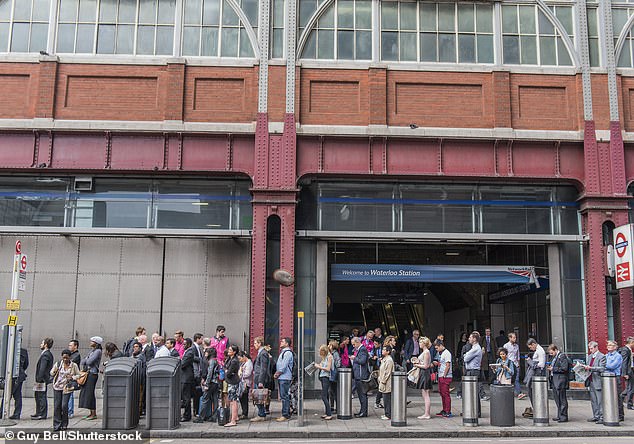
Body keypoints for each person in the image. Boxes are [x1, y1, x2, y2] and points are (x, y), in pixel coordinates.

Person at [50, 349, 80, 432]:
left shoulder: (74, 365)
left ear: (70, 357)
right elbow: (51, 372)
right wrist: (54, 371)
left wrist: (72, 377)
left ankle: (64, 424)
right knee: (57, 406)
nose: (65, 359)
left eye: (67, 358)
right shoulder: (58, 364)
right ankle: (56, 424)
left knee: (64, 405)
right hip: (57, 387)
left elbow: (79, 374)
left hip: (67, 388)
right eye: (64, 358)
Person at [195, 347, 220, 423]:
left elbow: (210, 373)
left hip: (211, 383)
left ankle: (201, 417)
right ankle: (214, 416)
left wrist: (207, 384)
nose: (205, 354)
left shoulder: (211, 361)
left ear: (210, 353)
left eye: (206, 352)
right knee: (215, 400)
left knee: (205, 399)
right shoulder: (215, 360)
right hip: (216, 382)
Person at [79, 336, 102, 420]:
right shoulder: (92, 351)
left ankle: (93, 413)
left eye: (92, 341)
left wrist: (86, 359)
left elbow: (88, 361)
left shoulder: (97, 351)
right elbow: (83, 361)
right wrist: (86, 360)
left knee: (90, 393)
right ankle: (91, 412)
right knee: (88, 393)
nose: (90, 342)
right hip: (89, 373)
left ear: (96, 343)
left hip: (92, 374)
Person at [583, 341, 606, 423]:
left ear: (596, 347)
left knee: (599, 400)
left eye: (591, 348)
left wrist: (591, 368)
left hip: (597, 380)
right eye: (589, 348)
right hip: (591, 380)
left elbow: (602, 368)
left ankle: (602, 417)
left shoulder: (602, 356)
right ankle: (596, 416)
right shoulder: (589, 356)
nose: (590, 350)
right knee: (593, 400)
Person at [523, 338, 546, 418]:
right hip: (533, 372)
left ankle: (536, 409)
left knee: (533, 391)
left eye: (530, 347)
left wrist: (530, 361)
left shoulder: (540, 351)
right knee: (530, 390)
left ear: (533, 344)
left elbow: (541, 364)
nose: (530, 349)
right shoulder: (537, 350)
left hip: (536, 373)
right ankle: (535, 409)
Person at [250, 336, 271, 422]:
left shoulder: (263, 353)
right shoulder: (262, 353)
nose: (254, 345)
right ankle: (261, 413)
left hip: (259, 379)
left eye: (255, 343)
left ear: (259, 343)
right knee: (258, 396)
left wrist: (261, 381)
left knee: (259, 396)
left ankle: (261, 414)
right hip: (258, 377)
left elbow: (263, 368)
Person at [32, 337, 54, 420]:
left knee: (41, 396)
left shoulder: (46, 355)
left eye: (42, 343)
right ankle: (38, 412)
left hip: (41, 379)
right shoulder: (46, 354)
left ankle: (42, 414)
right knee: (37, 396)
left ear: (45, 345)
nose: (40, 345)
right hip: (41, 379)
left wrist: (39, 379)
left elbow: (42, 368)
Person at [547, 343, 569, 422]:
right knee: (557, 398)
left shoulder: (562, 356)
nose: (551, 354)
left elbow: (564, 368)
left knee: (562, 398)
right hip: (554, 380)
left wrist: (553, 368)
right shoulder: (555, 357)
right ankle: (559, 415)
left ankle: (563, 416)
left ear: (555, 350)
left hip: (560, 380)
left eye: (552, 353)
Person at [463, 331, 482, 418]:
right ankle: (473, 410)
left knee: (473, 392)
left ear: (474, 339)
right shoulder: (474, 347)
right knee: (471, 392)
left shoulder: (476, 348)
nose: (469, 339)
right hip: (472, 370)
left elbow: (466, 358)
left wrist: (466, 355)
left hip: (473, 371)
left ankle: (476, 411)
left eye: (470, 337)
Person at [274, 337, 294, 422]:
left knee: (284, 396)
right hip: (283, 377)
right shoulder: (284, 352)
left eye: (282, 341)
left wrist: (277, 373)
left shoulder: (287, 353)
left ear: (287, 343)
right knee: (284, 396)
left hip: (284, 377)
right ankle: (286, 413)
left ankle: (285, 414)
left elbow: (283, 365)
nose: (281, 343)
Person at [6, 347, 28, 419]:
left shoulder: (9, 348)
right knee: (17, 395)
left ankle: (2, 412)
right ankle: (17, 413)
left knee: (7, 394)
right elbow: (26, 364)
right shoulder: (24, 351)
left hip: (12, 375)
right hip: (20, 375)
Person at [413, 336, 432, 419]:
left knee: (426, 393)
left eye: (420, 342)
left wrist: (417, 364)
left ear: (424, 343)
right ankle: (426, 413)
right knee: (424, 393)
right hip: (423, 373)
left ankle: (427, 414)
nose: (419, 344)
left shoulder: (426, 352)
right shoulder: (425, 352)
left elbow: (426, 366)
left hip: (425, 373)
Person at [350, 336, 370, 418]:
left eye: (354, 344)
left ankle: (363, 412)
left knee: (362, 394)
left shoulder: (362, 349)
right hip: (358, 375)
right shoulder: (360, 349)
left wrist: (354, 358)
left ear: (358, 342)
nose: (353, 346)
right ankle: (362, 411)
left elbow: (362, 361)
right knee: (361, 395)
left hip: (361, 376)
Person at [606, 340, 624, 421]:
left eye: (610, 345)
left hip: (615, 377)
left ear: (615, 347)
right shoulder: (607, 355)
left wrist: (604, 365)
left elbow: (612, 366)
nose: (608, 346)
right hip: (607, 378)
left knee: (617, 396)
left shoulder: (618, 356)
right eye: (608, 345)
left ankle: (620, 415)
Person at [314, 344, 334, 420]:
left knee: (324, 396)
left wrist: (318, 366)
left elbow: (328, 368)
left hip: (326, 377)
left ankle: (329, 414)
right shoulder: (325, 357)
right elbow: (322, 365)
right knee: (326, 396)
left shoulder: (329, 357)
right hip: (323, 377)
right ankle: (327, 413)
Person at [434, 339, 452, 417]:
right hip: (441, 375)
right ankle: (444, 409)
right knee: (442, 393)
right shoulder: (440, 353)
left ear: (441, 345)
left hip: (445, 376)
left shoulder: (447, 353)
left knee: (445, 393)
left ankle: (448, 410)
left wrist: (444, 374)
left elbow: (448, 365)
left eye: (437, 348)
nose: (436, 349)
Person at [224, 345, 241, 427]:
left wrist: (227, 371)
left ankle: (233, 420)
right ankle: (235, 417)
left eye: (231, 350)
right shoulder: (229, 359)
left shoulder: (234, 361)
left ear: (234, 352)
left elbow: (229, 372)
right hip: (230, 381)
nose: (228, 351)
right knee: (232, 400)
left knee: (233, 401)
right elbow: (225, 368)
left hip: (233, 382)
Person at [180, 338, 196, 422]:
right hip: (184, 377)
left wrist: (179, 361)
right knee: (185, 397)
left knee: (186, 398)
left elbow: (183, 364)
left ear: (189, 344)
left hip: (186, 378)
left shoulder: (189, 352)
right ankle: (186, 414)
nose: (183, 346)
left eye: (185, 344)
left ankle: (187, 415)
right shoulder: (187, 352)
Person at [378, 345, 394, 420]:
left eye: (384, 350)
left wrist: (383, 381)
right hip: (383, 381)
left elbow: (387, 372)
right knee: (385, 398)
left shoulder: (389, 360)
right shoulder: (385, 359)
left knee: (387, 399)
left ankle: (388, 414)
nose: (382, 351)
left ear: (388, 351)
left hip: (387, 383)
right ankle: (386, 413)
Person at [504, 332, 522, 398]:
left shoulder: (517, 346)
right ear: (510, 338)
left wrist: (518, 364)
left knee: (516, 379)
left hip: (516, 364)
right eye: (513, 338)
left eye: (515, 337)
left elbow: (518, 355)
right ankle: (509, 393)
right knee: (509, 379)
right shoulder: (506, 346)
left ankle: (519, 393)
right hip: (509, 364)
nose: (515, 339)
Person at [237, 350, 253, 419]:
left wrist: (241, 372)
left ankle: (245, 413)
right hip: (242, 382)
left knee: (244, 398)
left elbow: (248, 374)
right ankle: (244, 412)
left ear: (244, 356)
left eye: (240, 358)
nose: (240, 360)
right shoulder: (244, 363)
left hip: (246, 383)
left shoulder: (249, 363)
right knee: (242, 397)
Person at [620, 337, 634, 413]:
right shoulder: (625, 350)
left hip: (630, 369)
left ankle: (621, 398)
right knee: (630, 387)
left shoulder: (628, 350)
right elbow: (624, 362)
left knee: (630, 387)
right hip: (629, 371)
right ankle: (629, 403)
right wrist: (625, 373)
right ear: (631, 342)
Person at [67, 340, 80, 419]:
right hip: (70, 376)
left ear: (75, 346)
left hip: (72, 376)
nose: (69, 347)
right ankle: (68, 410)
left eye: (71, 345)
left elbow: (70, 363)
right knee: (68, 393)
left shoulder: (76, 355)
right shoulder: (72, 354)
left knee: (70, 393)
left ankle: (70, 411)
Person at [328, 340, 341, 413]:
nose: (328, 346)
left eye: (329, 345)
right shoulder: (330, 353)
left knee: (334, 391)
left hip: (333, 375)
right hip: (331, 374)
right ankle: (332, 406)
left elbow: (338, 364)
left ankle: (337, 407)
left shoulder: (335, 354)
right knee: (331, 391)